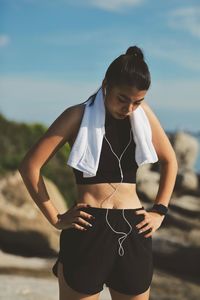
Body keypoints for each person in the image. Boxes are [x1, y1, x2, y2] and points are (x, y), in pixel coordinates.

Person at [18, 45, 178, 300]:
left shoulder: (143, 115)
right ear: (106, 85)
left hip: (134, 229)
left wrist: (159, 210)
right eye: (122, 99)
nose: (129, 108)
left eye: (137, 101)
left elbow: (170, 161)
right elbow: (30, 166)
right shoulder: (76, 116)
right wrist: (55, 218)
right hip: (87, 230)